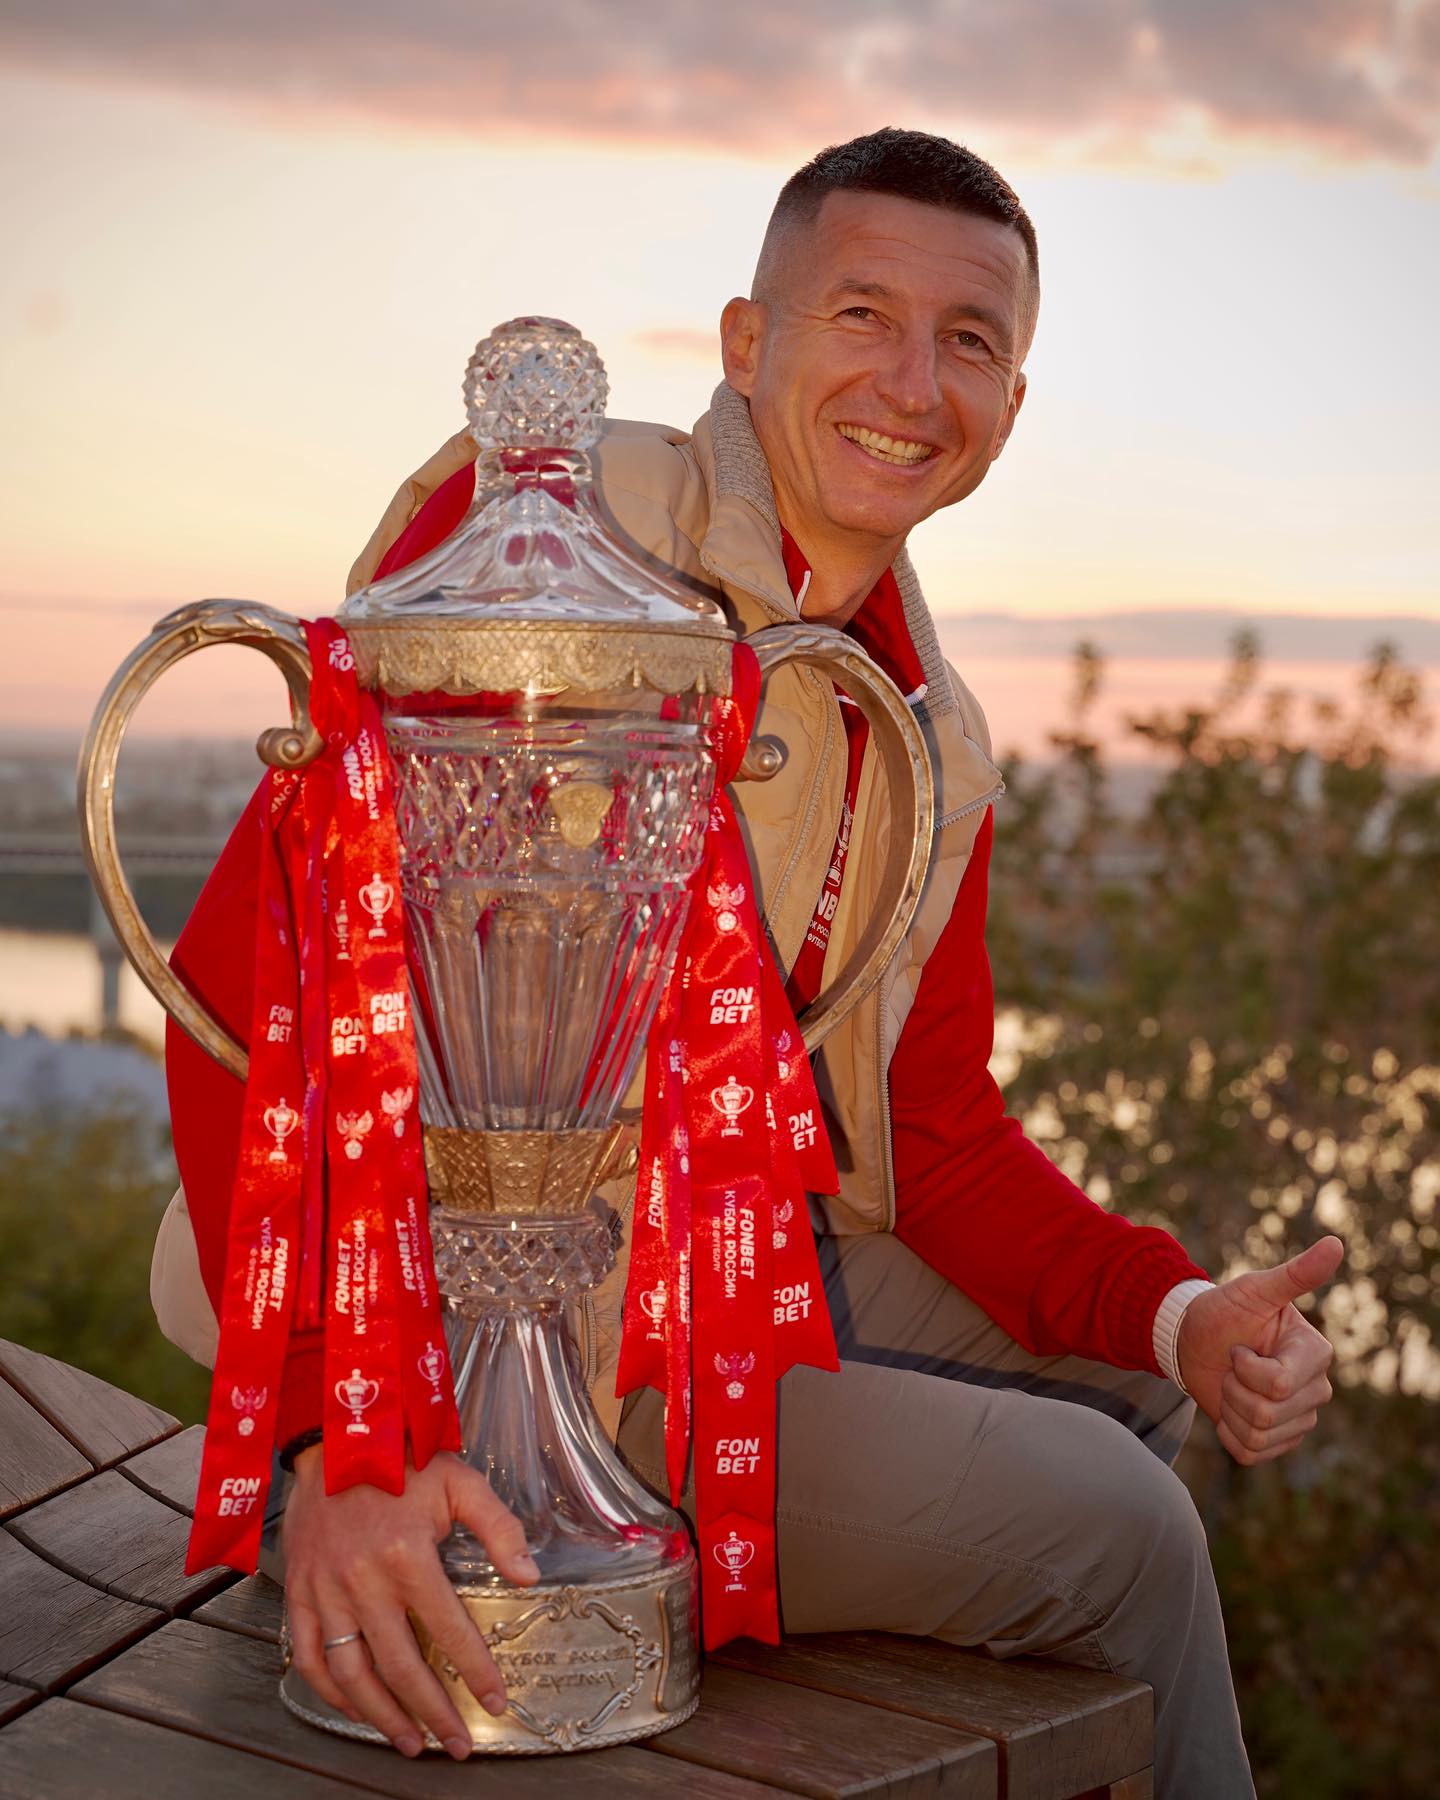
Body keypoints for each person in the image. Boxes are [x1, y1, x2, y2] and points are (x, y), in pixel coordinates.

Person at [153, 127, 1340, 1796]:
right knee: (1127, 1528)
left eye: (970, 340)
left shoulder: (931, 726)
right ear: (744, 340)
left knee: (1140, 1394)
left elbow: (930, 1137)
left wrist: (1182, 1309)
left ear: (1012, 403)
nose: (913, 383)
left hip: (713, 1268)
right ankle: (436, 1537)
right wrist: (327, 1432)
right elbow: (257, 974)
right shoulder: (558, 522)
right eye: (862, 315)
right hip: (428, 1309)